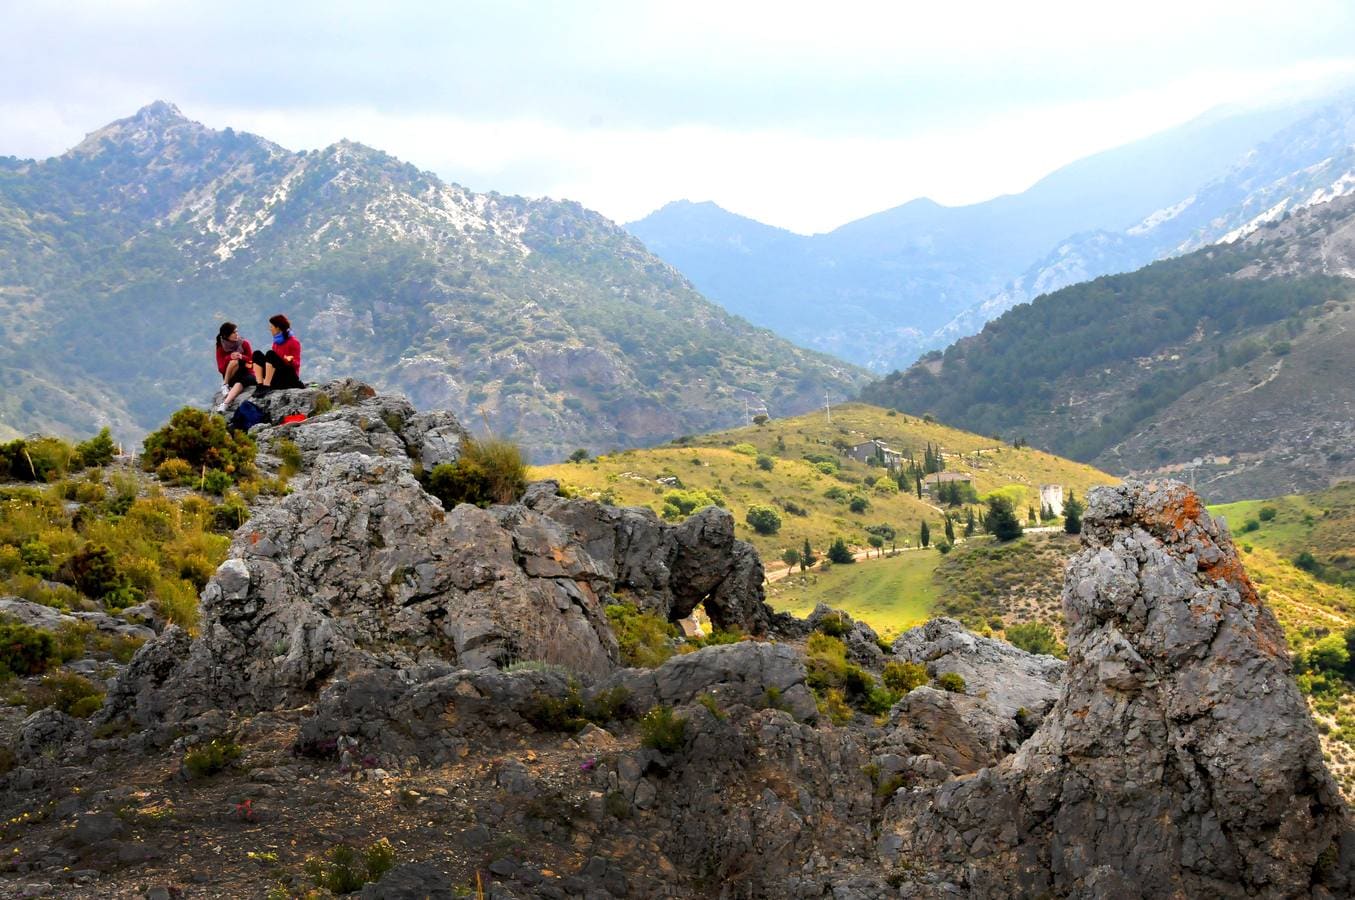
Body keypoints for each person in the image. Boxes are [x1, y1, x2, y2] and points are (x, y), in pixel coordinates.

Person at [252, 314, 305, 393]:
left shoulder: (293, 342)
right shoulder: (276, 342)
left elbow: (297, 364)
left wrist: (290, 360)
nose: (270, 329)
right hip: (277, 375)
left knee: (270, 354)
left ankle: (267, 385)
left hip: (288, 377)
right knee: (257, 354)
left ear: (278, 328)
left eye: (271, 327)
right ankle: (260, 385)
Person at [214, 322, 255, 414]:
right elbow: (221, 369)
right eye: (233, 332)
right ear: (226, 335)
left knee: (241, 381)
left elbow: (251, 362)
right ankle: (225, 385)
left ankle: (225, 404)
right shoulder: (221, 348)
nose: (236, 334)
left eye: (237, 331)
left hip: (247, 373)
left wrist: (241, 356)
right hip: (231, 374)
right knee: (234, 361)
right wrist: (229, 357)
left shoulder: (244, 343)